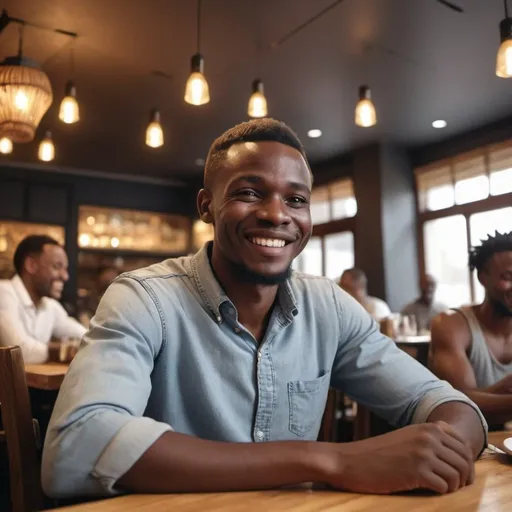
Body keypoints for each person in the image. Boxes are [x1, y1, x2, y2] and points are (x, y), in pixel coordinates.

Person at [43, 119, 485, 499]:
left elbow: (449, 405)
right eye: (251, 193)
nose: (277, 215)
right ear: (206, 207)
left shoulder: (329, 306)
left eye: (296, 199)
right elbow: (76, 447)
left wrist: (440, 451)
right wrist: (328, 460)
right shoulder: (145, 298)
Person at [430, 231, 512, 427]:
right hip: (471, 444)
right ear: (483, 277)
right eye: (507, 276)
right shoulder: (452, 325)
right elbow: (459, 405)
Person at [0, 235, 86, 364]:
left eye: (65, 269)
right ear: (31, 265)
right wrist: (65, 350)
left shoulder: (49, 305)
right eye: (57, 267)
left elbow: (86, 335)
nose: (65, 276)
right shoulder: (4, 292)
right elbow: (19, 353)